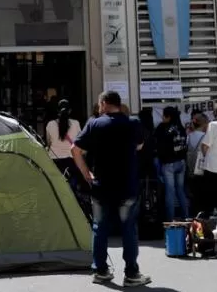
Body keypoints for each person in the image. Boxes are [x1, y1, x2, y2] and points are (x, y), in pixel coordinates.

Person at [71, 91, 150, 288]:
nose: (99, 108)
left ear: (105, 103)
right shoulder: (133, 123)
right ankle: (131, 273)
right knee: (129, 229)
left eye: (99, 104)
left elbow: (75, 149)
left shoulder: (94, 124)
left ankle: (100, 270)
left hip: (101, 185)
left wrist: (86, 173)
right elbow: (140, 146)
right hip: (127, 185)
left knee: (100, 228)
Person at [154, 106, 189, 221]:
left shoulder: (162, 128)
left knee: (170, 192)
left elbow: (158, 145)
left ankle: (170, 220)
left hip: (169, 163)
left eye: (164, 115)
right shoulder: (181, 128)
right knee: (180, 190)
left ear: (168, 116)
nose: (162, 118)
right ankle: (186, 217)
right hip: (181, 162)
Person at [45, 98, 82, 173]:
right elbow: (79, 142)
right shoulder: (76, 123)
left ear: (58, 111)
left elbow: (48, 143)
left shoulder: (50, 124)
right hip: (72, 160)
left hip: (55, 159)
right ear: (70, 111)